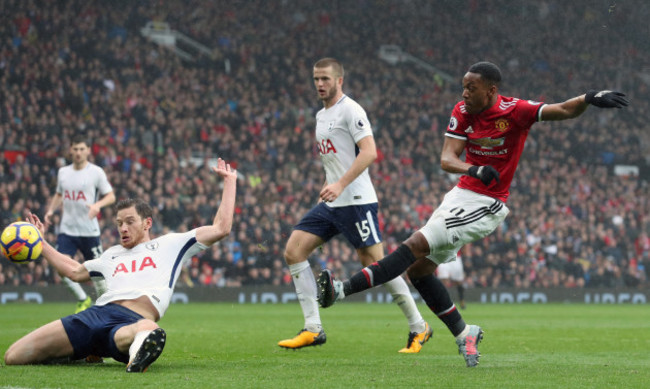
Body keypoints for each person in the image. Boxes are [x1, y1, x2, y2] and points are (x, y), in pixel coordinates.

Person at [318, 61, 629, 367]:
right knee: (419, 271)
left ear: (491, 90)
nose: (464, 93)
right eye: (463, 86)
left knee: (414, 245)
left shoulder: (515, 110)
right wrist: (475, 168)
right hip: (460, 195)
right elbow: (446, 158)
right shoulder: (462, 112)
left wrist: (589, 97)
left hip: (486, 205)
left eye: (471, 87)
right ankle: (465, 333)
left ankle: (341, 291)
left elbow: (562, 110)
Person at [4, 158, 237, 372]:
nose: (123, 228)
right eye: (119, 223)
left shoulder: (171, 244)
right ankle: (80, 351)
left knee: (146, 329)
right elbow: (74, 271)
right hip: (94, 315)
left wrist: (230, 182)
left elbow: (221, 228)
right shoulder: (111, 255)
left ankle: (138, 351)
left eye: (129, 222)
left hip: (131, 320)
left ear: (147, 223)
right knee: (13, 356)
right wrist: (41, 244)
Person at [278, 58, 431, 353]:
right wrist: (332, 185)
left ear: (339, 80)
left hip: (357, 201)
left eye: (325, 79)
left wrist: (340, 184)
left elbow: (370, 152)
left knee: (378, 267)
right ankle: (313, 328)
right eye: (316, 79)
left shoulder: (351, 110)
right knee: (293, 250)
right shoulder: (321, 115)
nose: (320, 84)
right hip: (333, 204)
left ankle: (419, 326)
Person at [44, 134, 116, 313]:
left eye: (82, 149)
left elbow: (111, 196)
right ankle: (83, 298)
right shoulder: (63, 172)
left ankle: (103, 307)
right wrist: (51, 211)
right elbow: (59, 194)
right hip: (67, 230)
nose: (78, 153)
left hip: (89, 231)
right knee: (61, 268)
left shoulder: (96, 172)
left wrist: (97, 205)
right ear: (70, 150)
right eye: (75, 149)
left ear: (88, 151)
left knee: (99, 276)